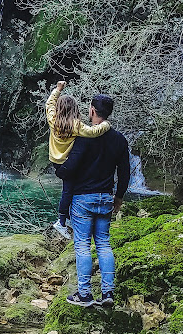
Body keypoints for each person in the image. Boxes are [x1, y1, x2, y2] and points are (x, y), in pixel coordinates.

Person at [55, 93, 130, 308]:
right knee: (104, 244)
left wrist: (58, 169)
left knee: (82, 246)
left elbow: (70, 168)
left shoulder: (83, 137)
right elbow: (124, 173)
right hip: (106, 197)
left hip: (82, 199)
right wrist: (119, 197)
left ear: (92, 111)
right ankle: (108, 293)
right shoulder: (119, 139)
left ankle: (85, 294)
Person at [46, 81, 111, 239]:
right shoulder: (76, 125)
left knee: (69, 189)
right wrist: (106, 125)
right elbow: (93, 132)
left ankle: (67, 218)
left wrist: (58, 89)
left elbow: (49, 104)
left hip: (55, 161)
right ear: (75, 109)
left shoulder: (53, 119)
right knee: (68, 190)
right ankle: (61, 222)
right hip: (67, 162)